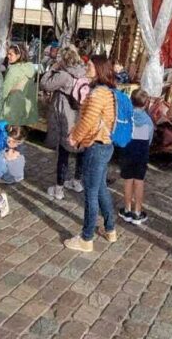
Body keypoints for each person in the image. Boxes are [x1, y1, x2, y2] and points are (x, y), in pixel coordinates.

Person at [63, 55, 119, 253]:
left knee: (91, 193)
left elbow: (88, 120)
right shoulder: (107, 91)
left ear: (98, 68)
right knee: (100, 188)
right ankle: (110, 228)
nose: (86, 67)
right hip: (103, 144)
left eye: (89, 65)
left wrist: (75, 137)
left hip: (96, 146)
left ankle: (86, 238)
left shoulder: (98, 94)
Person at [42, 47, 88, 200]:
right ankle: (77, 180)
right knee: (79, 148)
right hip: (79, 114)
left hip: (65, 115)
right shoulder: (83, 71)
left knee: (63, 151)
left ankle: (59, 188)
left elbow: (45, 84)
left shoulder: (64, 75)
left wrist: (51, 69)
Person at [119, 88, 155, 224]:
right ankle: (137, 212)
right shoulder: (148, 121)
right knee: (139, 181)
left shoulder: (127, 118)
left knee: (128, 180)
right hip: (141, 153)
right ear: (146, 104)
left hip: (127, 151)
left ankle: (127, 209)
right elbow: (149, 140)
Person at [0, 44, 38, 126]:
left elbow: (5, 90)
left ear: (18, 55)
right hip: (25, 107)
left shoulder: (13, 70)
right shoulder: (30, 69)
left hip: (11, 107)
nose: (8, 56)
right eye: (8, 54)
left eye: (11, 54)